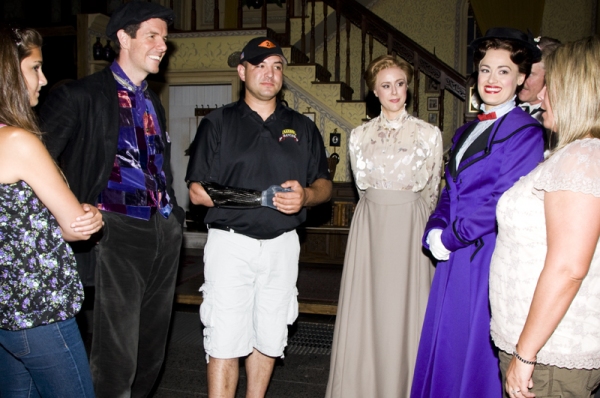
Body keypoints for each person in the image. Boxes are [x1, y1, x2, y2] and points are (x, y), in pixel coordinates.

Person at [38, 3, 185, 397]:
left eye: (164, 39)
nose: (161, 46)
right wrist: (71, 206)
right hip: (116, 228)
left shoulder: (152, 100)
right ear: (123, 37)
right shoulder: (79, 95)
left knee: (152, 347)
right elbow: (37, 162)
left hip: (164, 230)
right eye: (152, 36)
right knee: (117, 353)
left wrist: (174, 217)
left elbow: (159, 165)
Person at [186, 36, 332, 398]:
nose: (270, 74)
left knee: (270, 336)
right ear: (242, 71)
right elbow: (197, 191)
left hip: (283, 246)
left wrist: (306, 196)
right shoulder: (218, 123)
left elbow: (324, 185)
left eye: (277, 67)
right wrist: (260, 199)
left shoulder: (302, 126)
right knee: (224, 337)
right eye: (260, 65)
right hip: (231, 245)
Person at [411, 27, 545, 397]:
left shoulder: (526, 132)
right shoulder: (463, 132)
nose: (492, 79)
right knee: (449, 343)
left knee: (475, 352)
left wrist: (451, 236)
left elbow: (502, 199)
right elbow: (449, 190)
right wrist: (434, 230)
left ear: (520, 78)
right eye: (485, 69)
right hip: (455, 256)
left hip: (488, 254)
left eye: (504, 71)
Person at [326, 55, 443, 398]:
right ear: (374, 91)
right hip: (371, 228)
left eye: (401, 84)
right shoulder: (359, 135)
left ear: (409, 88)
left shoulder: (429, 134)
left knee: (407, 313)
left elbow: (432, 190)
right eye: (386, 85)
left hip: (410, 228)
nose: (395, 92)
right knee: (369, 312)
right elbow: (362, 188)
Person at [490, 35, 600, 398]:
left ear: (575, 91)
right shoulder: (573, 153)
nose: (540, 96)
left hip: (549, 357)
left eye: (550, 86)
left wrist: (525, 353)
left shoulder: (581, 158)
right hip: (543, 350)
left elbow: (569, 267)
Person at [0, 26, 103, 397]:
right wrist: (89, 216)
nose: (43, 80)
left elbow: (13, 230)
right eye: (35, 68)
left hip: (5, 309)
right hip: (39, 310)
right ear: (9, 72)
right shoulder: (17, 141)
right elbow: (77, 223)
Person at [517, 36, 561, 150]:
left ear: (550, 76)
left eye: (530, 74)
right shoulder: (512, 108)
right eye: (520, 71)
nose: (520, 79)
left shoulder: (554, 120)